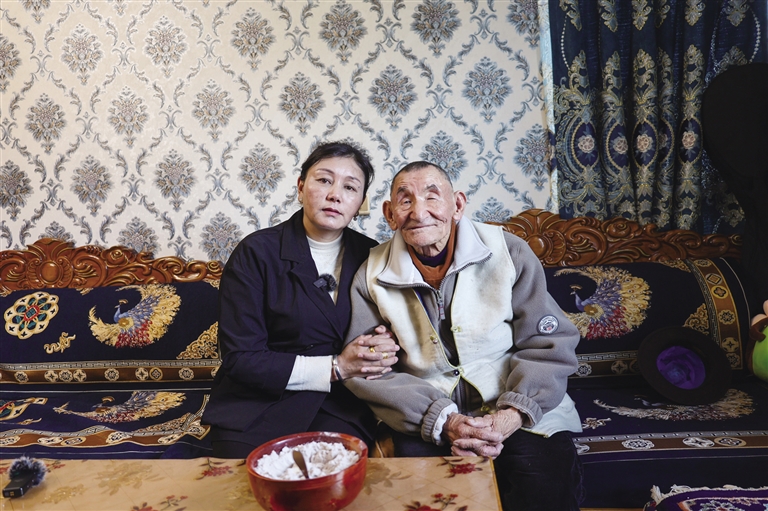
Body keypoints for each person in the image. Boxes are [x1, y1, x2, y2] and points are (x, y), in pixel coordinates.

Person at [343, 161, 583, 510]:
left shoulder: (508, 251)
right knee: (421, 497)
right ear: (390, 214)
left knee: (543, 486)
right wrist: (445, 419)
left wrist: (511, 415)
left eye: (432, 196)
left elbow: (549, 342)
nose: (418, 212)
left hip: (518, 408)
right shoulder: (371, 274)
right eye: (405, 200)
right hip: (428, 417)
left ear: (457, 205)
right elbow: (367, 370)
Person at [202, 142, 399, 459]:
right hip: (258, 404)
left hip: (340, 405)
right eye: (324, 180)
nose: (335, 195)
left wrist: (384, 345)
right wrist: (336, 367)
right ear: (300, 187)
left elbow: (390, 326)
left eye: (350, 187)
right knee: (248, 484)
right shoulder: (256, 253)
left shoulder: (372, 254)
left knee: (336, 478)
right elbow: (241, 358)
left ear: (360, 202)